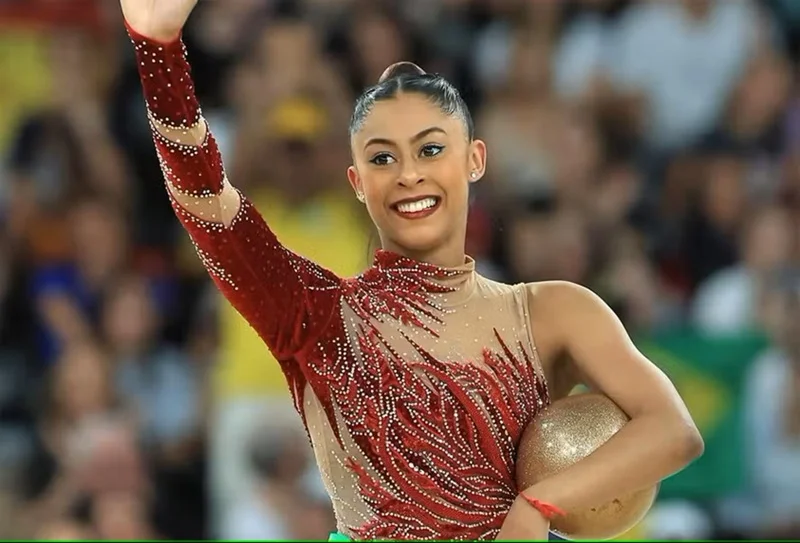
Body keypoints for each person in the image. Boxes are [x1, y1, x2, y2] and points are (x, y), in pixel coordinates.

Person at [119, 0, 704, 539]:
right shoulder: (320, 314)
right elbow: (208, 207)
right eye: (381, 157)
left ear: (475, 159)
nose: (408, 174)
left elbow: (671, 430)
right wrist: (157, 46)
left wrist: (539, 504)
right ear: (356, 182)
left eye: (430, 149)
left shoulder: (549, 311)